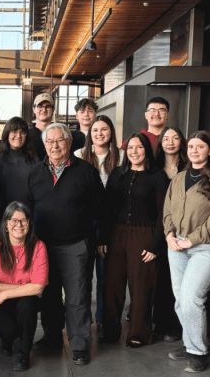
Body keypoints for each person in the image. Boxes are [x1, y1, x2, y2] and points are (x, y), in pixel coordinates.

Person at [27, 123, 104, 365]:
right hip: (43, 246)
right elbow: (28, 209)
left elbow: (100, 209)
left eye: (59, 141)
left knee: (77, 297)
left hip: (76, 245)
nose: (54, 146)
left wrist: (97, 239)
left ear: (69, 143)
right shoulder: (36, 173)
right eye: (49, 141)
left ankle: (80, 345)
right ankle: (52, 338)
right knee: (49, 296)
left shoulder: (86, 171)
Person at [164, 131, 210, 373]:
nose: (194, 150)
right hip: (177, 245)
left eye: (200, 146)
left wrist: (190, 241)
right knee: (181, 301)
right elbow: (168, 211)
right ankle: (191, 341)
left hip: (207, 246)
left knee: (192, 297)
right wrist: (170, 234)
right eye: (191, 146)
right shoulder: (178, 178)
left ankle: (197, 352)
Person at [98, 132, 169, 347]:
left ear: (147, 150)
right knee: (112, 285)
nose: (134, 152)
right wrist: (102, 238)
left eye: (139, 147)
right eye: (130, 148)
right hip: (116, 234)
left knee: (141, 286)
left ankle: (139, 333)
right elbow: (106, 209)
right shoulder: (117, 174)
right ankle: (110, 331)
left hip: (144, 234)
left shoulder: (158, 176)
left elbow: (163, 214)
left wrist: (155, 245)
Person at [0, 202, 48, 372]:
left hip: (23, 298)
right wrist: (25, 286)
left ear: (29, 224)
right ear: (5, 225)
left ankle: (24, 354)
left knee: (27, 306)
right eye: (13, 220)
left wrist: (4, 293)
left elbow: (39, 287)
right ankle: (7, 340)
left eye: (23, 220)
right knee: (8, 331)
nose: (19, 225)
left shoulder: (38, 247)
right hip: (8, 296)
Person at [75, 114, 122, 332]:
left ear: (111, 132)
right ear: (89, 134)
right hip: (85, 223)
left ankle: (104, 320)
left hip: (110, 224)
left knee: (106, 276)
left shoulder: (121, 157)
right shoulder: (78, 156)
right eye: (95, 130)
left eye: (104, 129)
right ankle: (84, 321)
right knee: (83, 275)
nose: (100, 134)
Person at [152, 126, 187, 342]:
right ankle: (160, 321)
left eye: (175, 138)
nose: (170, 142)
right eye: (166, 138)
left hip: (183, 228)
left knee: (180, 279)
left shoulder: (188, 166)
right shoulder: (154, 167)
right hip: (159, 225)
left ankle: (177, 324)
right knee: (161, 277)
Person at [0, 116, 40, 219]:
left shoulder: (35, 161)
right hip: (2, 218)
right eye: (14, 131)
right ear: (7, 133)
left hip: (27, 217)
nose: (18, 136)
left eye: (22, 132)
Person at [30, 93, 54, 160]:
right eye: (40, 106)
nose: (44, 110)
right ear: (34, 109)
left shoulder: (59, 133)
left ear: (53, 110)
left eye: (48, 106)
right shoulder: (27, 134)